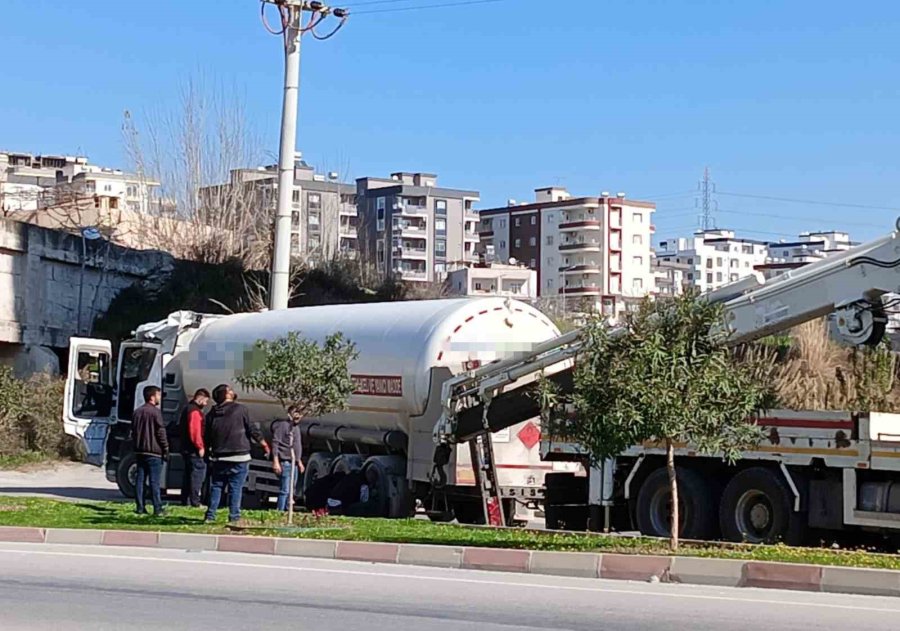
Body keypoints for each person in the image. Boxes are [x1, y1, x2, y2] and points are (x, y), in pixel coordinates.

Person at [204, 384, 270, 524]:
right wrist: (263, 443)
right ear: (226, 394)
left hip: (219, 456)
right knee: (236, 487)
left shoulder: (211, 414)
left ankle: (210, 515)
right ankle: (234, 516)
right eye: (230, 390)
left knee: (216, 486)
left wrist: (208, 453)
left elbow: (207, 436)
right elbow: (251, 429)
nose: (233, 392)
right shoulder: (241, 409)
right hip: (240, 455)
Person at [132, 385, 168, 516]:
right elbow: (160, 432)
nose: (160, 398)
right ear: (152, 397)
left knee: (140, 480)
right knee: (154, 481)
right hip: (154, 451)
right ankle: (157, 508)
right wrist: (166, 449)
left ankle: (140, 507)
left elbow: (134, 432)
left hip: (140, 450)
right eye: (158, 395)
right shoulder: (156, 412)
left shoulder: (137, 412)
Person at [179, 388, 211, 507]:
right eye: (205, 401)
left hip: (186, 448)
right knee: (197, 475)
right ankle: (195, 501)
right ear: (200, 398)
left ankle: (185, 500)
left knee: (188, 475)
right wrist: (200, 446)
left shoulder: (187, 409)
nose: (206, 404)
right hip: (193, 450)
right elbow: (195, 431)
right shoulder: (195, 412)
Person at [271, 406, 305, 511]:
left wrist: (299, 462)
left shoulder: (296, 428)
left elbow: (296, 447)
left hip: (294, 462)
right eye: (295, 413)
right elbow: (275, 443)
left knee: (292, 490)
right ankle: (280, 510)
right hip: (285, 462)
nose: (297, 415)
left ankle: (288, 510)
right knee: (285, 489)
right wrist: (276, 461)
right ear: (289, 414)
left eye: (299, 413)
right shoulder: (283, 426)